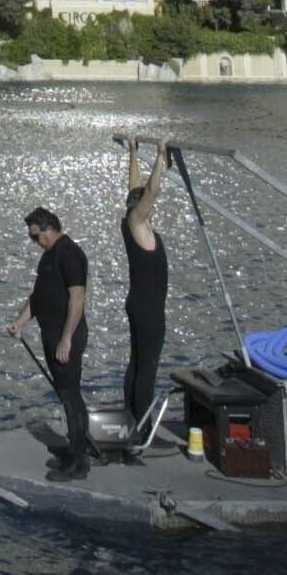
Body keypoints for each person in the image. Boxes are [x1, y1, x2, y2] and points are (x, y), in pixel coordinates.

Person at [9, 207, 90, 478]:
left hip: (65, 337)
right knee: (64, 394)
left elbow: (77, 298)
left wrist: (66, 338)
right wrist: (20, 323)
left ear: (49, 229)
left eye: (36, 236)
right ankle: (73, 448)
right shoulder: (48, 257)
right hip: (51, 334)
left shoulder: (70, 254)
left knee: (71, 395)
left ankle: (79, 461)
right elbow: (39, 295)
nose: (35, 242)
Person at [122, 138, 170, 435]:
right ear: (139, 207)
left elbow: (136, 188)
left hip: (140, 303)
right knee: (147, 369)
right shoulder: (136, 223)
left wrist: (133, 151)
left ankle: (131, 418)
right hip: (148, 309)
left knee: (137, 362)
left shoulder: (132, 220)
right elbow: (150, 190)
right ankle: (142, 426)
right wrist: (160, 155)